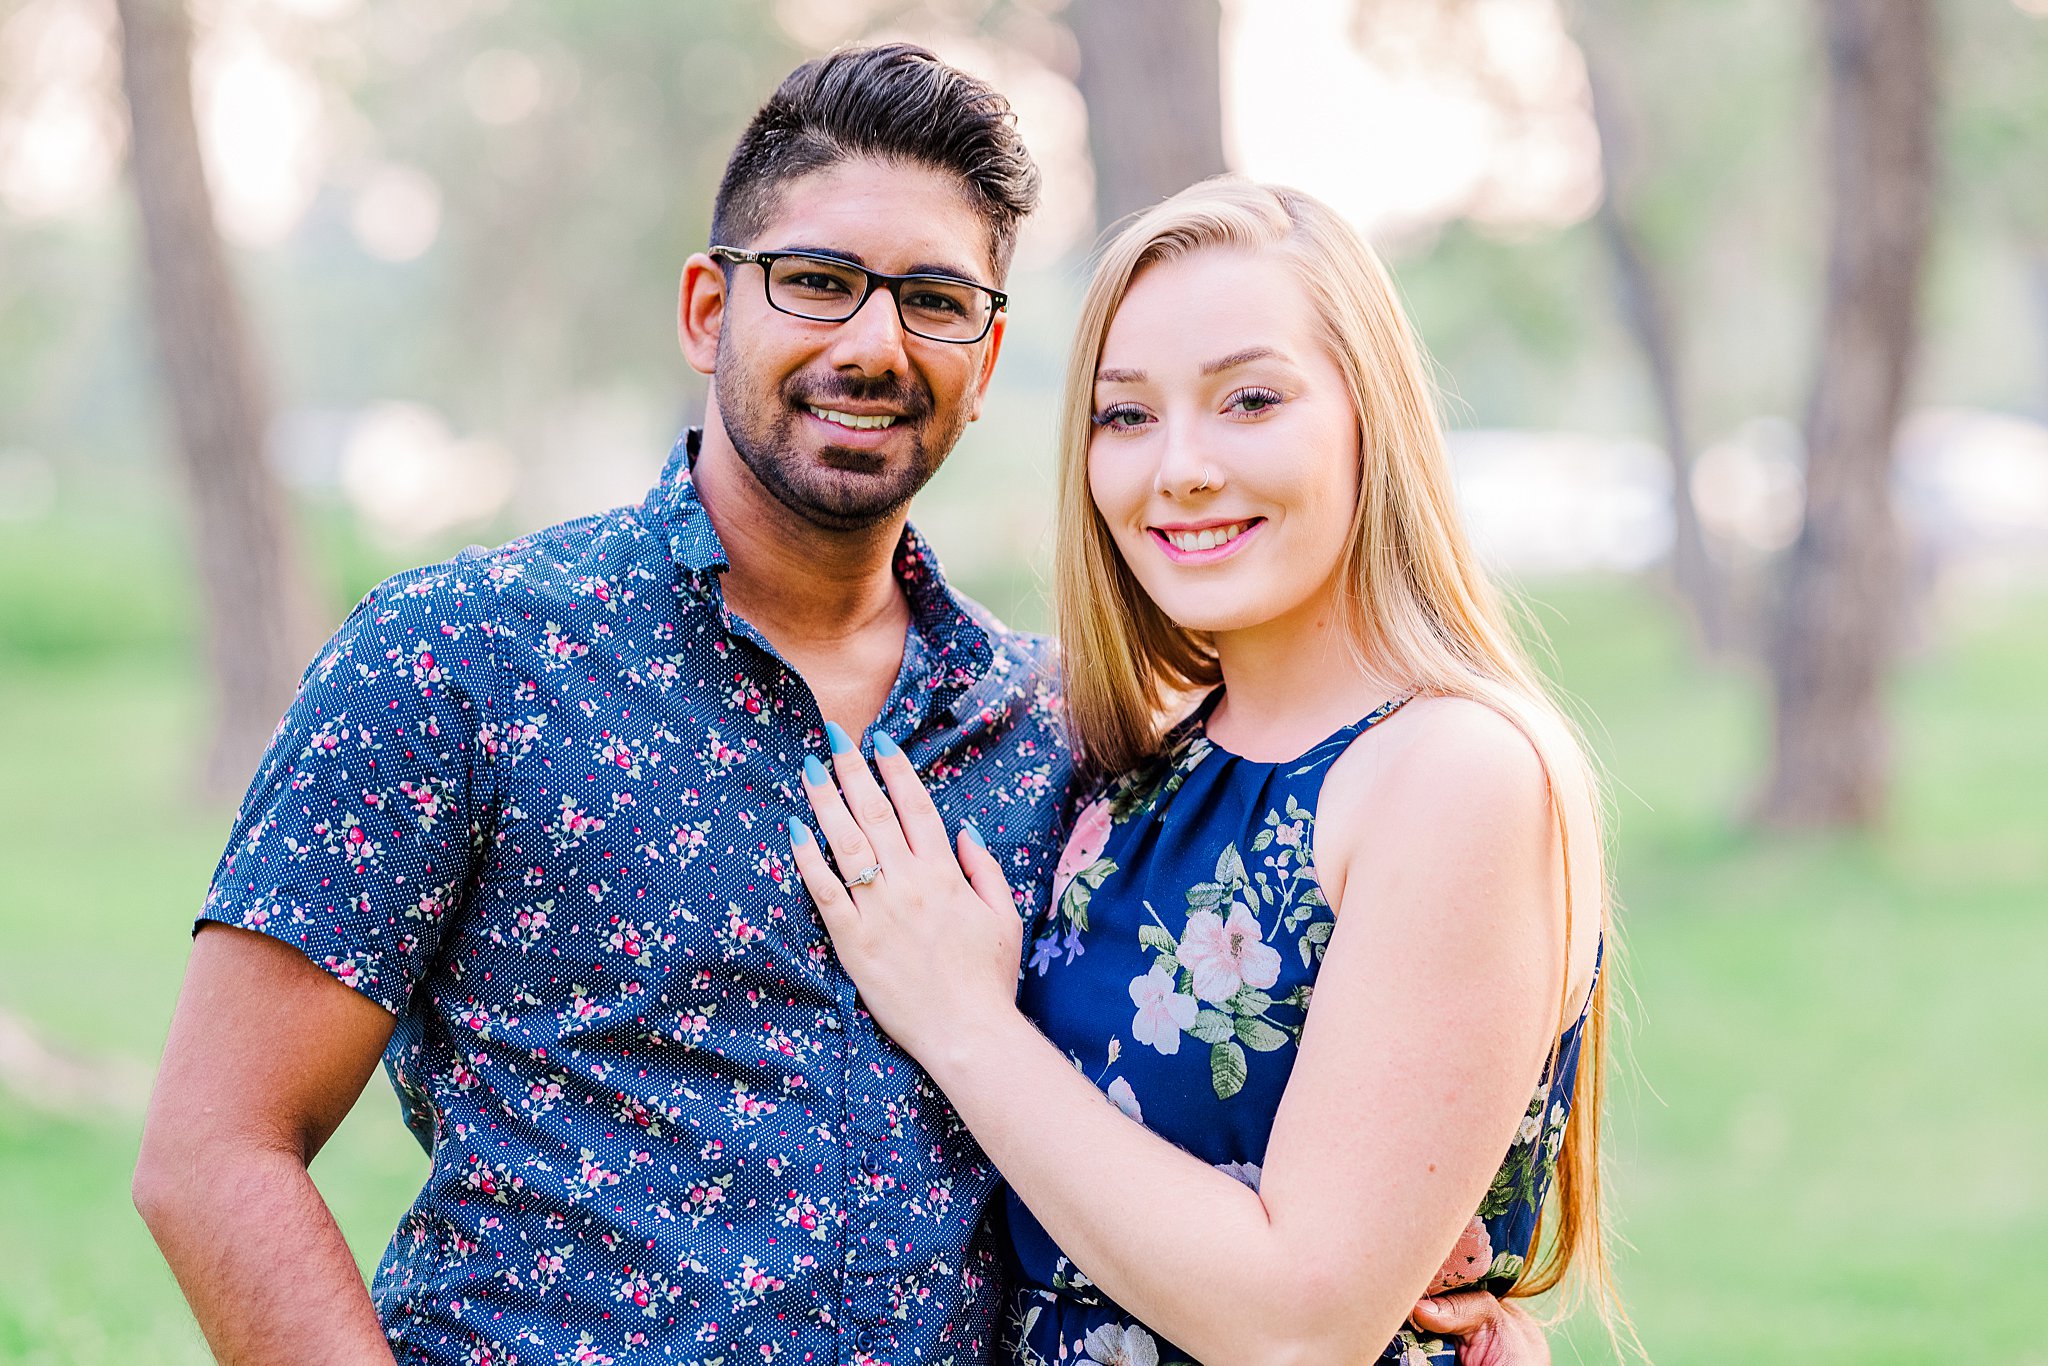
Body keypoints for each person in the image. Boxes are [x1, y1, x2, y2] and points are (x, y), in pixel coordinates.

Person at [133, 44, 1542, 1366]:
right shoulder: (464, 656)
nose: (876, 342)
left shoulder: (1068, 733)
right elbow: (214, 1150)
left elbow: (1197, 1068)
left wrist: (1400, 1254)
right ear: (707, 307)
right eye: (817, 280)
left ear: (988, 363)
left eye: (935, 300)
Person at [787, 178, 1617, 1365]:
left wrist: (962, 1018)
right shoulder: (1136, 761)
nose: (1178, 468)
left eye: (1249, 400)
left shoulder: (1450, 772)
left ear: (1365, 417)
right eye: (1125, 417)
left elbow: (1300, 1323)